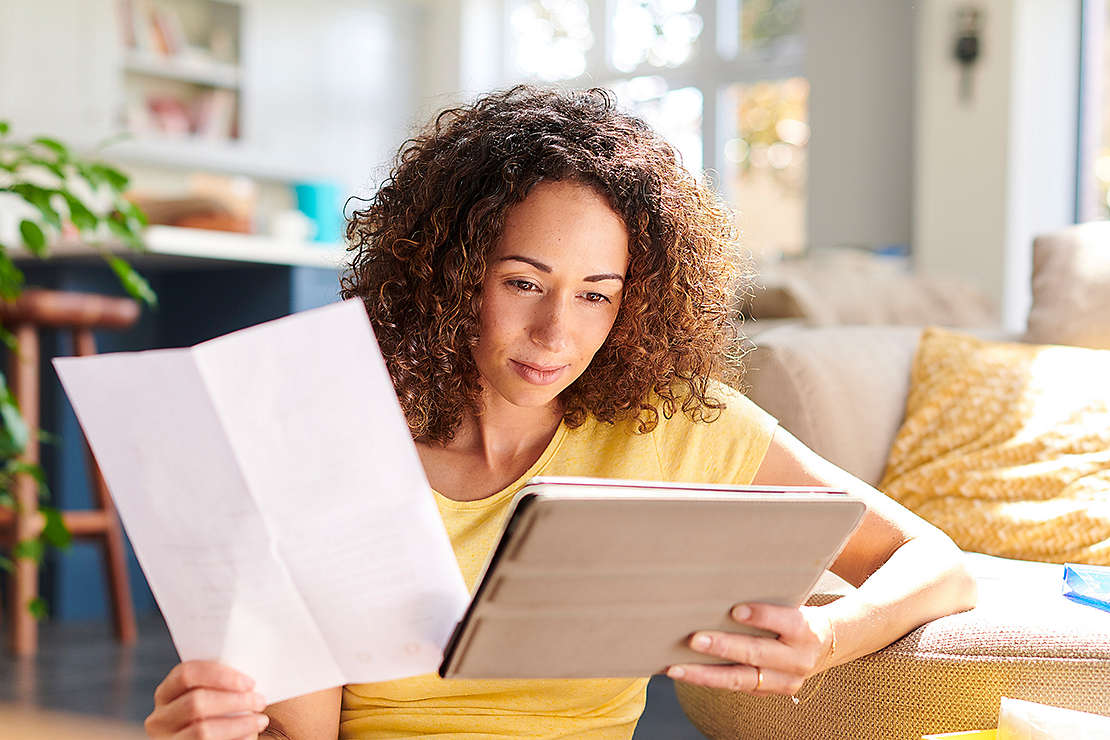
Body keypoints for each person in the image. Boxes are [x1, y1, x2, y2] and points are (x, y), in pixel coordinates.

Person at [144, 86, 977, 740]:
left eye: (595, 297)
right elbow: (297, 733)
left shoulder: (676, 428)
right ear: (449, 270)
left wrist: (829, 638)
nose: (556, 334)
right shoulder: (334, 443)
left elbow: (937, 562)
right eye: (523, 283)